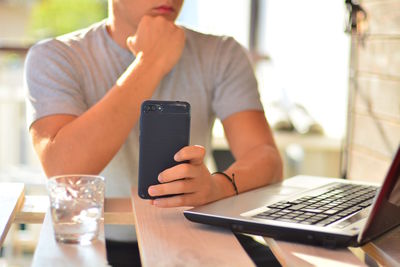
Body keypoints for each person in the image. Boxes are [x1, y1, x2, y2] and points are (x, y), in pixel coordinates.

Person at [25, 0, 283, 266]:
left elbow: (267, 159)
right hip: (96, 242)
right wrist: (150, 63)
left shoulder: (221, 52)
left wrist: (217, 187)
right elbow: (63, 169)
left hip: (194, 232)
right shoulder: (55, 56)